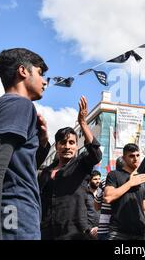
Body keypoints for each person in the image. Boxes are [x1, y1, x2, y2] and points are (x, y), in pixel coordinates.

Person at [0, 48, 51, 240]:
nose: (45, 81)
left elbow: (17, 168)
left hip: (6, 216)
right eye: (40, 73)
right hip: (13, 216)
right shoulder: (19, 104)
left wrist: (42, 142)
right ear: (23, 71)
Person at [39, 96, 102, 240]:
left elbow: (96, 154)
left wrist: (83, 123)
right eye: (63, 142)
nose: (67, 146)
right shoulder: (46, 172)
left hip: (75, 232)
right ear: (56, 146)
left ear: (76, 146)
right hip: (48, 231)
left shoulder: (81, 164)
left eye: (72, 142)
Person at [103, 144, 145, 240]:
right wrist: (130, 183)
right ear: (124, 158)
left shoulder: (142, 179)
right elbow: (108, 197)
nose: (135, 159)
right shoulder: (114, 175)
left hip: (140, 232)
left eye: (137, 155)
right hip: (118, 232)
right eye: (131, 156)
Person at [95, 157, 124, 240]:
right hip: (124, 230)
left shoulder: (104, 182)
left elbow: (96, 206)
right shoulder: (131, 182)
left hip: (104, 229)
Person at [84, 170, 101, 240]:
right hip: (87, 231)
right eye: (95, 179)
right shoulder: (84, 193)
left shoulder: (102, 193)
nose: (98, 181)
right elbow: (81, 212)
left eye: (99, 179)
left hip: (100, 230)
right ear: (90, 180)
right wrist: (89, 229)